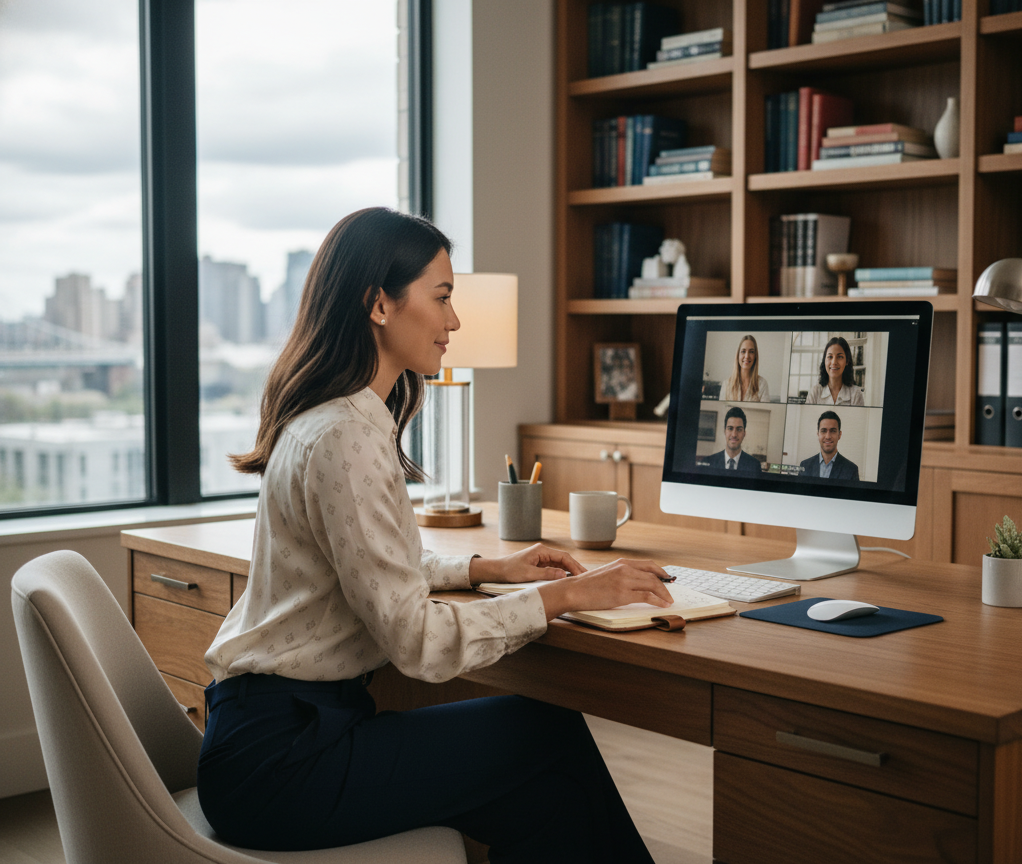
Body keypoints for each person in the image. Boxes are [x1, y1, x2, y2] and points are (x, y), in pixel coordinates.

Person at [196, 208, 672, 863]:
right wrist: (567, 596)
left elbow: (371, 567)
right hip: (283, 761)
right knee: (546, 728)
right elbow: (416, 642)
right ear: (379, 305)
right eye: (443, 297)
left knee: (549, 801)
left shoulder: (331, 420)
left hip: (275, 737)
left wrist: (483, 570)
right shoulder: (346, 437)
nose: (454, 322)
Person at [798, 410, 860, 481]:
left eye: (833, 431)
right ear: (818, 434)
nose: (828, 437)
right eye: (823, 431)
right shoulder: (805, 466)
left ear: (839, 435)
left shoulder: (851, 470)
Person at [805, 336, 865, 406]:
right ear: (824, 361)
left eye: (840, 357)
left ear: (847, 361)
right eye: (830, 357)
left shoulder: (856, 394)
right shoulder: (815, 393)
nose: (834, 362)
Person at [701, 406, 762, 474]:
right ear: (725, 431)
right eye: (730, 428)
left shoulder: (754, 465)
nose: (734, 435)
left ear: (744, 433)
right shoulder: (708, 462)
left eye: (739, 429)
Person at [723, 334, 770, 402]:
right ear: (738, 355)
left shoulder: (762, 384)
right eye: (743, 351)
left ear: (755, 356)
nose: (747, 356)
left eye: (751, 352)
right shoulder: (726, 385)